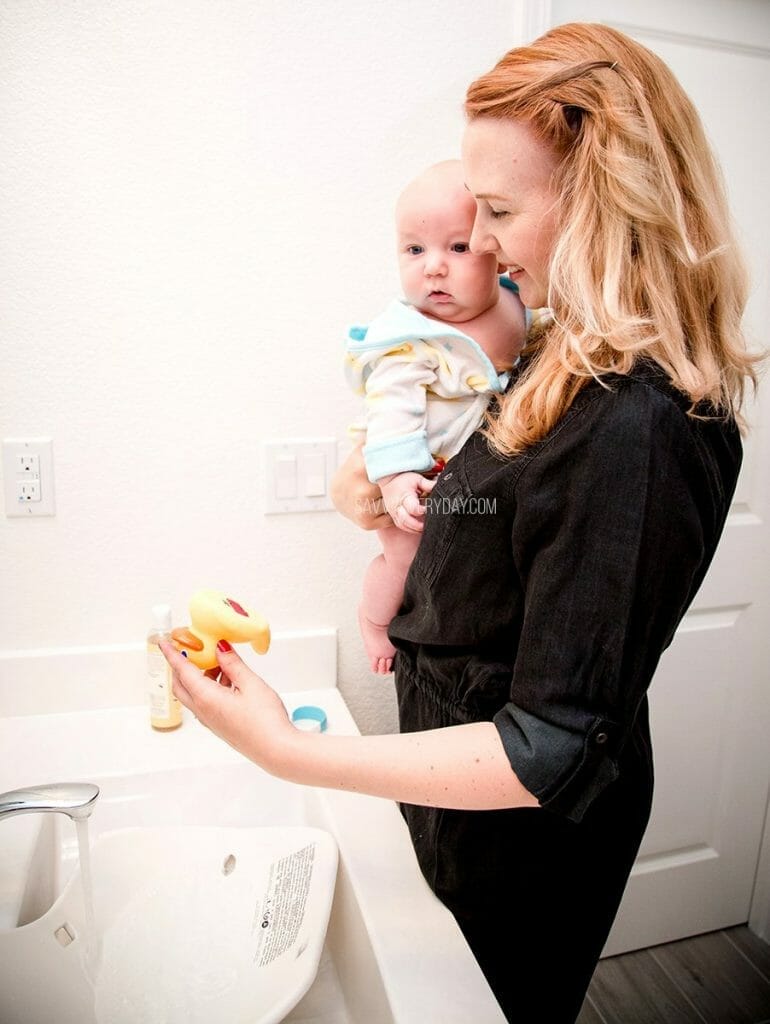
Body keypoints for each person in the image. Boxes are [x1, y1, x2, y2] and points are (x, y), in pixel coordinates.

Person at [160, 22, 759, 1023]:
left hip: (521, 833)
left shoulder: (639, 427)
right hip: (448, 760)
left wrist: (283, 748)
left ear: (604, 202)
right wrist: (373, 487)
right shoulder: (553, 349)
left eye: (494, 211)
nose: (473, 244)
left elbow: (547, 747)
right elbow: (493, 502)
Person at [345, 159, 528, 674]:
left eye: (458, 247)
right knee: (403, 559)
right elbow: (392, 413)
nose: (433, 267)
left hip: (478, 482)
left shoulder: (517, 306)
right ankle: (374, 620)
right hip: (414, 475)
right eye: (414, 249)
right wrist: (397, 478)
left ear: (494, 250)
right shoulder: (410, 339)